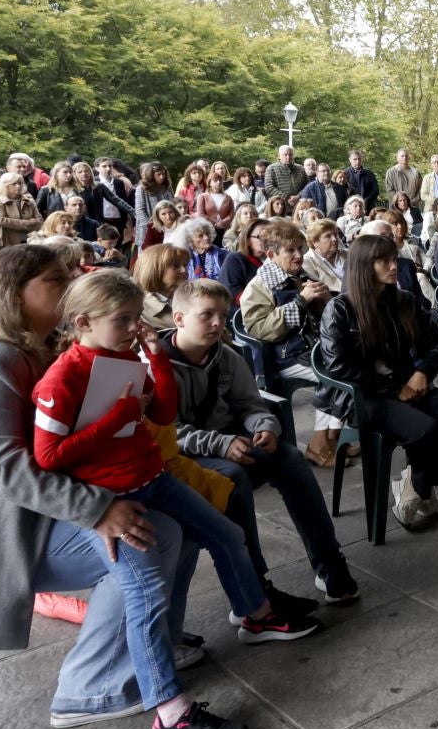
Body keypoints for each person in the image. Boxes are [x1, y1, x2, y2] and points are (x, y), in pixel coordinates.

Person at [0, 247, 246, 729]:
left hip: (11, 512)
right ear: (13, 294)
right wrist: (96, 510)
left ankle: (141, 656)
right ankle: (93, 690)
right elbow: (3, 470)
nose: (71, 287)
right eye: (55, 280)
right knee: (146, 537)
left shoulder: (29, 351)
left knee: (167, 525)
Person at [31, 268, 320, 653]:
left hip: (149, 475)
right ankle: (166, 677)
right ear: (84, 322)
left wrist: (155, 360)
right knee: (182, 545)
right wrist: (121, 416)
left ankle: (267, 603)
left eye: (137, 318)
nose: (135, 328)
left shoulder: (127, 358)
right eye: (124, 320)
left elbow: (162, 414)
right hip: (119, 488)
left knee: (237, 518)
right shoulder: (64, 375)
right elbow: (49, 455)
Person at [164, 279, 359, 605]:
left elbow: (249, 405)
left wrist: (265, 427)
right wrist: (220, 444)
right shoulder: (158, 365)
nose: (217, 323)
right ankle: (255, 588)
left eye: (223, 316)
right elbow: (168, 431)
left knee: (291, 460)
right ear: (179, 318)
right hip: (187, 456)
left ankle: (329, 564)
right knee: (232, 476)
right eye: (206, 315)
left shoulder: (225, 357)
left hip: (234, 441)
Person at [319, 233, 438, 529]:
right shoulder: (340, 309)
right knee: (426, 429)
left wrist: (422, 371)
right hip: (364, 397)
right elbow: (338, 367)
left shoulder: (405, 302)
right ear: (362, 266)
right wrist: (395, 389)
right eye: (382, 260)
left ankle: (416, 485)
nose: (393, 266)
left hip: (409, 385)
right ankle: (419, 490)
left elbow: (437, 344)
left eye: (393, 259)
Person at [240, 221, 342, 465]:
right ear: (272, 254)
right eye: (291, 251)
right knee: (337, 373)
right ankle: (319, 444)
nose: (298, 255)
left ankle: (331, 441)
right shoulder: (258, 285)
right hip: (285, 357)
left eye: (300, 248)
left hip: (313, 350)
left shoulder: (302, 275)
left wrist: (327, 300)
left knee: (348, 365)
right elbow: (260, 328)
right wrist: (300, 302)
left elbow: (330, 317)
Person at [134, 243, 190, 331]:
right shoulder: (139, 310)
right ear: (153, 269)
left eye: (185, 265)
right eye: (175, 266)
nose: (184, 270)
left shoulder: (192, 298)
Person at [172, 217, 229, 283]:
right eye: (200, 235)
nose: (206, 237)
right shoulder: (183, 258)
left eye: (207, 233)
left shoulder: (223, 254)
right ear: (189, 239)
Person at [302, 219, 347, 293]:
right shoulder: (307, 262)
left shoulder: (347, 254)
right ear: (315, 242)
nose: (334, 239)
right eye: (328, 236)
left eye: (335, 235)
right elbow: (318, 290)